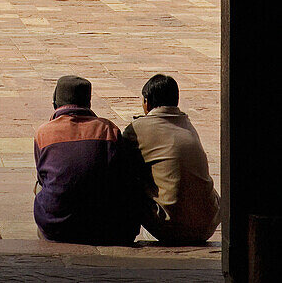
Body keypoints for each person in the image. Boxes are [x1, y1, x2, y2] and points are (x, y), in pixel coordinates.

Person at [33, 75, 141, 246]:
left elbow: (42, 178)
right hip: (104, 225)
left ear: (55, 103)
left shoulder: (44, 133)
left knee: (41, 186)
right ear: (88, 103)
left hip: (58, 227)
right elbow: (123, 176)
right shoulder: (108, 129)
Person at [122, 74, 220, 245]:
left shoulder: (138, 129)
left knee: (125, 176)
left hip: (171, 226)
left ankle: (124, 235)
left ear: (147, 101)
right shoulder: (187, 124)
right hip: (208, 224)